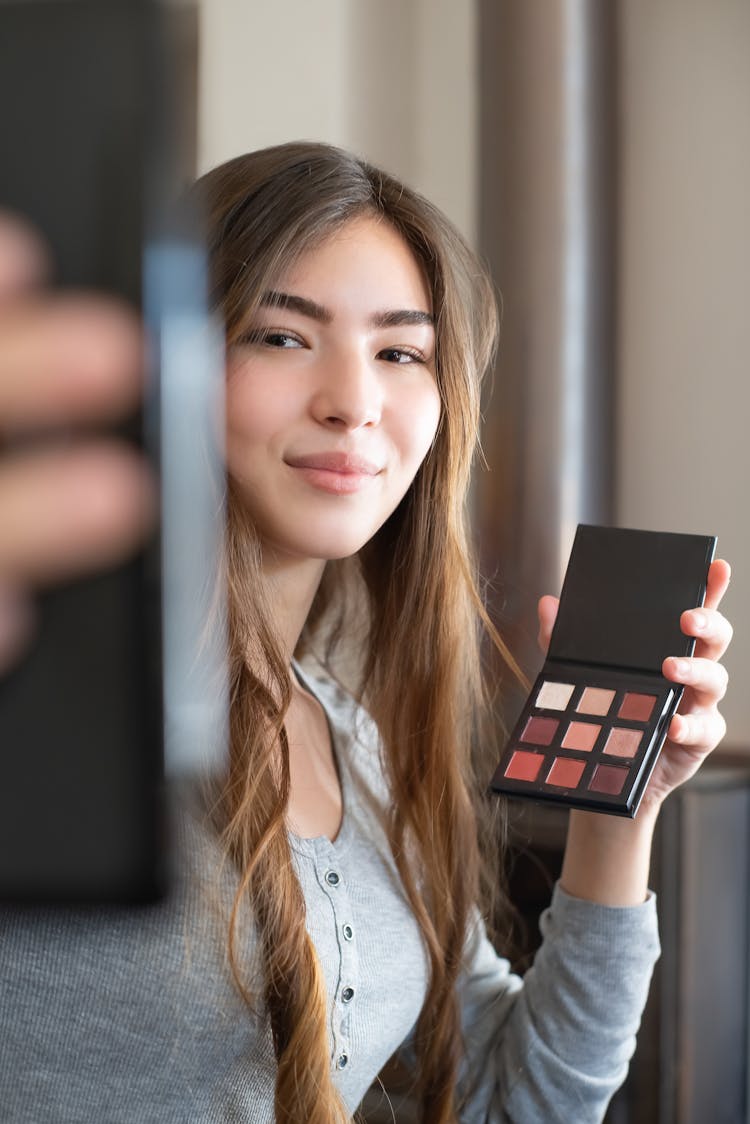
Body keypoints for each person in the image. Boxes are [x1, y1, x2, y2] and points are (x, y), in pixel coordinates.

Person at [0, 144, 732, 1124]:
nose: (354, 401)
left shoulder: (360, 744)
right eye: (280, 336)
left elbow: (523, 1100)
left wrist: (617, 811)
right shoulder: (39, 714)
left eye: (401, 352)